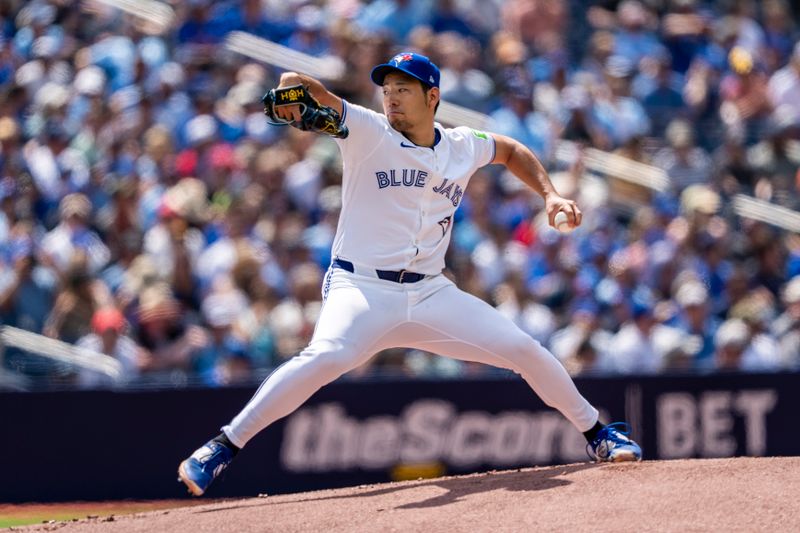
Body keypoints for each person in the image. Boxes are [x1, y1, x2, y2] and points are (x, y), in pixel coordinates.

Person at [178, 52, 642, 496]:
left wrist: (550, 194)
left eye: (404, 88)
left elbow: (510, 149)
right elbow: (302, 88)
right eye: (387, 89)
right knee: (326, 357)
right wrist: (291, 86)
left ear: (433, 97)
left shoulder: (461, 145)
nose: (392, 97)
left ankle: (600, 433)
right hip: (360, 288)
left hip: (429, 294)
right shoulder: (367, 130)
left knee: (523, 348)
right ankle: (222, 447)